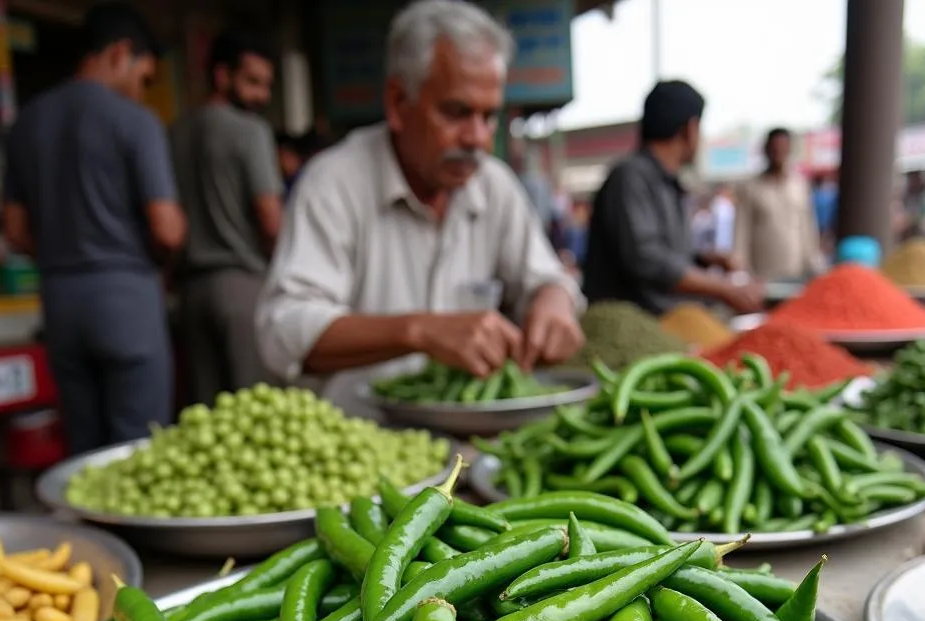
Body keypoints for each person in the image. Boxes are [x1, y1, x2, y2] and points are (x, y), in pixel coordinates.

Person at [256, 0, 583, 417]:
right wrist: (420, 330)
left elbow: (546, 278)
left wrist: (554, 300)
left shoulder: (493, 184)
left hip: (475, 442)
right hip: (361, 438)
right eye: (456, 112)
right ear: (397, 102)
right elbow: (284, 329)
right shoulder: (334, 184)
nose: (477, 138)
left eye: (489, 116)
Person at [2, 3, 185, 455]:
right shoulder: (135, 122)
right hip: (126, 300)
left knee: (84, 456)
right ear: (120, 52)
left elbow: (15, 231)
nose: (142, 92)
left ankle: (81, 531)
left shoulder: (26, 123)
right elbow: (167, 229)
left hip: (61, 303)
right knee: (139, 457)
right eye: (144, 77)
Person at [581, 81, 763, 316]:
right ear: (690, 128)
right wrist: (723, 288)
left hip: (668, 321)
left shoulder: (666, 183)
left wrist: (705, 259)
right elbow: (645, 258)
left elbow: (665, 252)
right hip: (638, 323)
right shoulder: (630, 177)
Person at [170, 30, 284, 404]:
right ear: (222, 75)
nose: (262, 96)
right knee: (255, 416)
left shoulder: (175, 133)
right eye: (253, 82)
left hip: (190, 293)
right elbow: (271, 221)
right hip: (242, 289)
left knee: (210, 422)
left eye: (267, 85)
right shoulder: (250, 132)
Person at [734, 128, 823, 281]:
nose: (778, 153)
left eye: (783, 148)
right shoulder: (751, 188)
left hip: (796, 271)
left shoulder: (800, 186)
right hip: (762, 272)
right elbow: (741, 230)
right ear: (766, 150)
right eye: (774, 148)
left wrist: (814, 262)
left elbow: (808, 227)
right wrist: (739, 265)